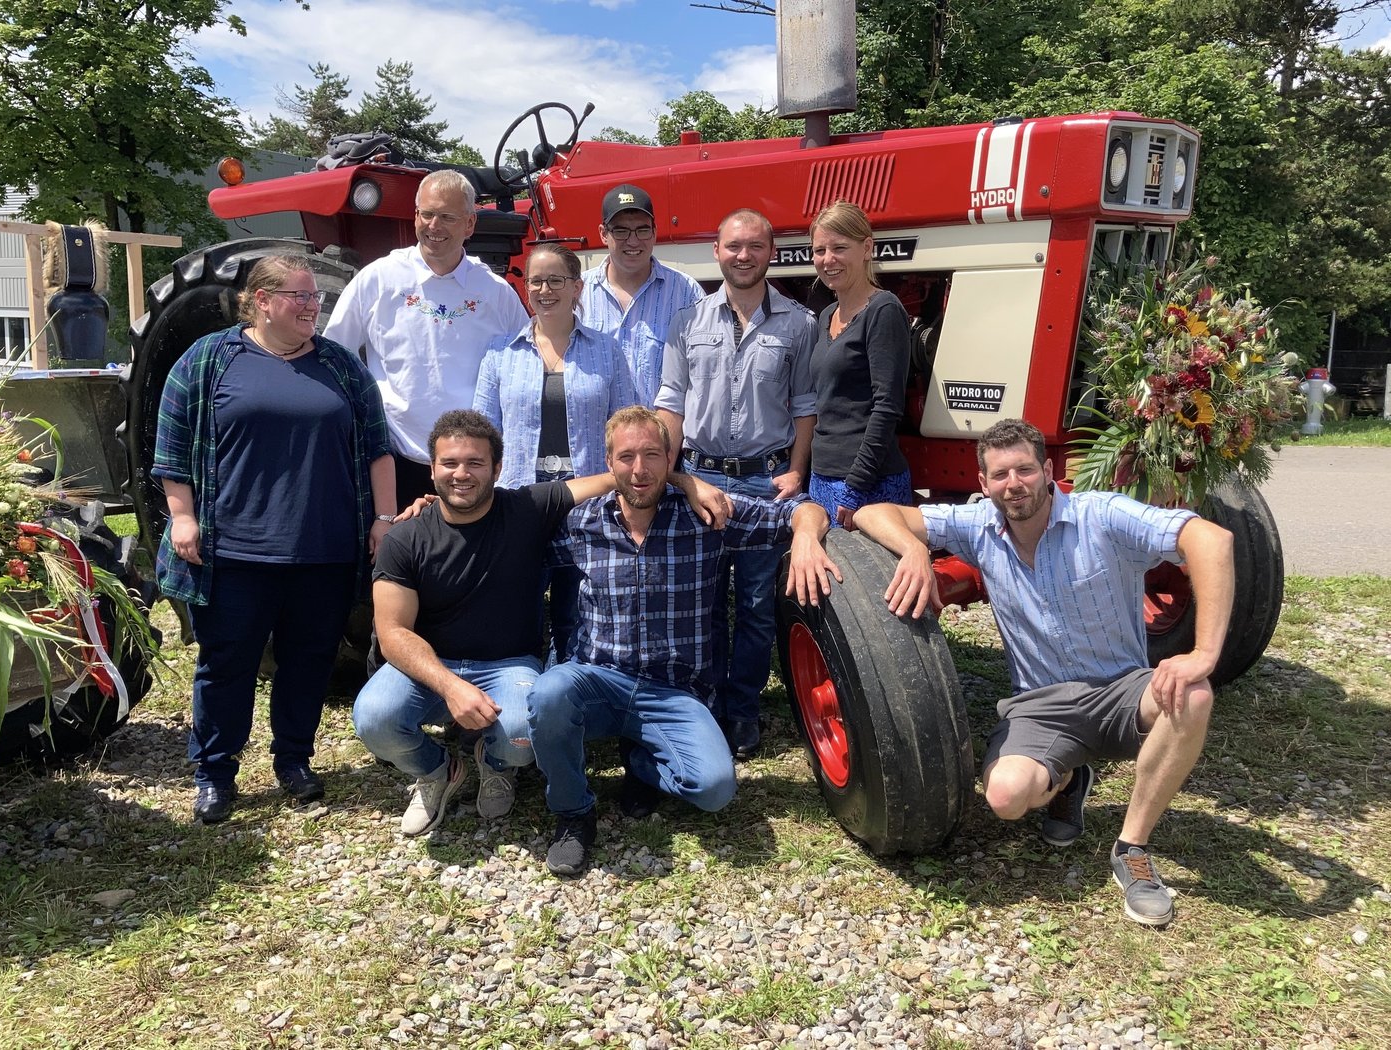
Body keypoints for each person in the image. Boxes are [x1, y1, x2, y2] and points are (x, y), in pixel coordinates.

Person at [853, 418, 1234, 927]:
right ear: (984, 485)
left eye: (1026, 470)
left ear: (1048, 470)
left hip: (1123, 691)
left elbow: (1211, 540)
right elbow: (871, 513)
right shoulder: (976, 527)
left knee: (1194, 695)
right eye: (1001, 474)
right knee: (1005, 797)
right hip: (1041, 705)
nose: (1015, 483)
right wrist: (916, 549)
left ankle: (1132, 849)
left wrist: (1204, 653)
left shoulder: (1102, 515)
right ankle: (1069, 779)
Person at [351, 410, 729, 835]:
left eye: (475, 463)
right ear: (431, 468)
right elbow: (393, 633)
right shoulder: (406, 537)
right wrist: (451, 686)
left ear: (497, 468)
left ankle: (495, 764)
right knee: (373, 718)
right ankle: (437, 769)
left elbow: (624, 477)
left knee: (521, 734)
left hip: (507, 666)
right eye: (450, 463)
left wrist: (685, 480)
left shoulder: (528, 507)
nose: (462, 474)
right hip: (432, 665)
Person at [527, 407, 840, 877]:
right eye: (627, 457)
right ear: (608, 464)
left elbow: (803, 508)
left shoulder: (707, 517)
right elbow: (506, 533)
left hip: (675, 692)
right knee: (547, 695)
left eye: (652, 455)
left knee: (714, 789)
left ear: (671, 459)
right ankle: (573, 814)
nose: (640, 469)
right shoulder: (582, 524)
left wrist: (807, 539)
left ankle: (642, 761)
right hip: (598, 680)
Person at [153, 254, 396, 824]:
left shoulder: (339, 366)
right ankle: (214, 772)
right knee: (227, 662)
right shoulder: (208, 360)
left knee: (308, 660)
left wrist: (383, 519)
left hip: (324, 547)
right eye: (300, 296)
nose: (313, 306)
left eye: (316, 297)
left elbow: (377, 448)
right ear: (261, 301)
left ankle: (293, 759)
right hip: (235, 550)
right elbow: (172, 447)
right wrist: (182, 516)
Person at [654, 208, 817, 758]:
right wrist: (668, 473)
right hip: (699, 480)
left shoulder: (799, 325)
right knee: (696, 602)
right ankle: (698, 706)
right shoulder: (687, 322)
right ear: (716, 252)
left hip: (765, 482)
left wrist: (796, 468)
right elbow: (671, 401)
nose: (743, 255)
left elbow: (806, 406)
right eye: (732, 246)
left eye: (754, 246)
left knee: (753, 606)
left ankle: (742, 710)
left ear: (771, 253)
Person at [325, 169, 529, 507]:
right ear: (416, 215)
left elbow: (525, 366)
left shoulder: (496, 293)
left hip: (470, 465)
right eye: (427, 214)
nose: (434, 226)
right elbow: (334, 356)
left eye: (447, 216)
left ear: (469, 224)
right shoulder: (378, 279)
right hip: (394, 459)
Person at [475, 244, 636, 663]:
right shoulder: (499, 354)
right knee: (517, 607)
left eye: (556, 280)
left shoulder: (607, 350)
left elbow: (625, 427)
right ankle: (517, 700)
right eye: (535, 281)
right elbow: (482, 433)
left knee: (577, 610)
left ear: (577, 287)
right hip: (519, 501)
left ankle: (568, 697)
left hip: (585, 500)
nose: (545, 289)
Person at [806, 199, 914, 531]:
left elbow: (887, 406)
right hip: (822, 478)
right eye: (820, 250)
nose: (828, 259)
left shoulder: (883, 310)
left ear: (867, 248)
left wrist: (856, 487)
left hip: (867, 485)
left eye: (840, 247)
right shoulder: (826, 315)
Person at [578, 183, 704, 404]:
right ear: (603, 234)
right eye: (621, 230)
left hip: (662, 435)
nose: (633, 241)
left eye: (642, 229)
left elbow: (704, 369)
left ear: (655, 232)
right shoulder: (577, 292)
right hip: (596, 434)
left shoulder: (686, 292)